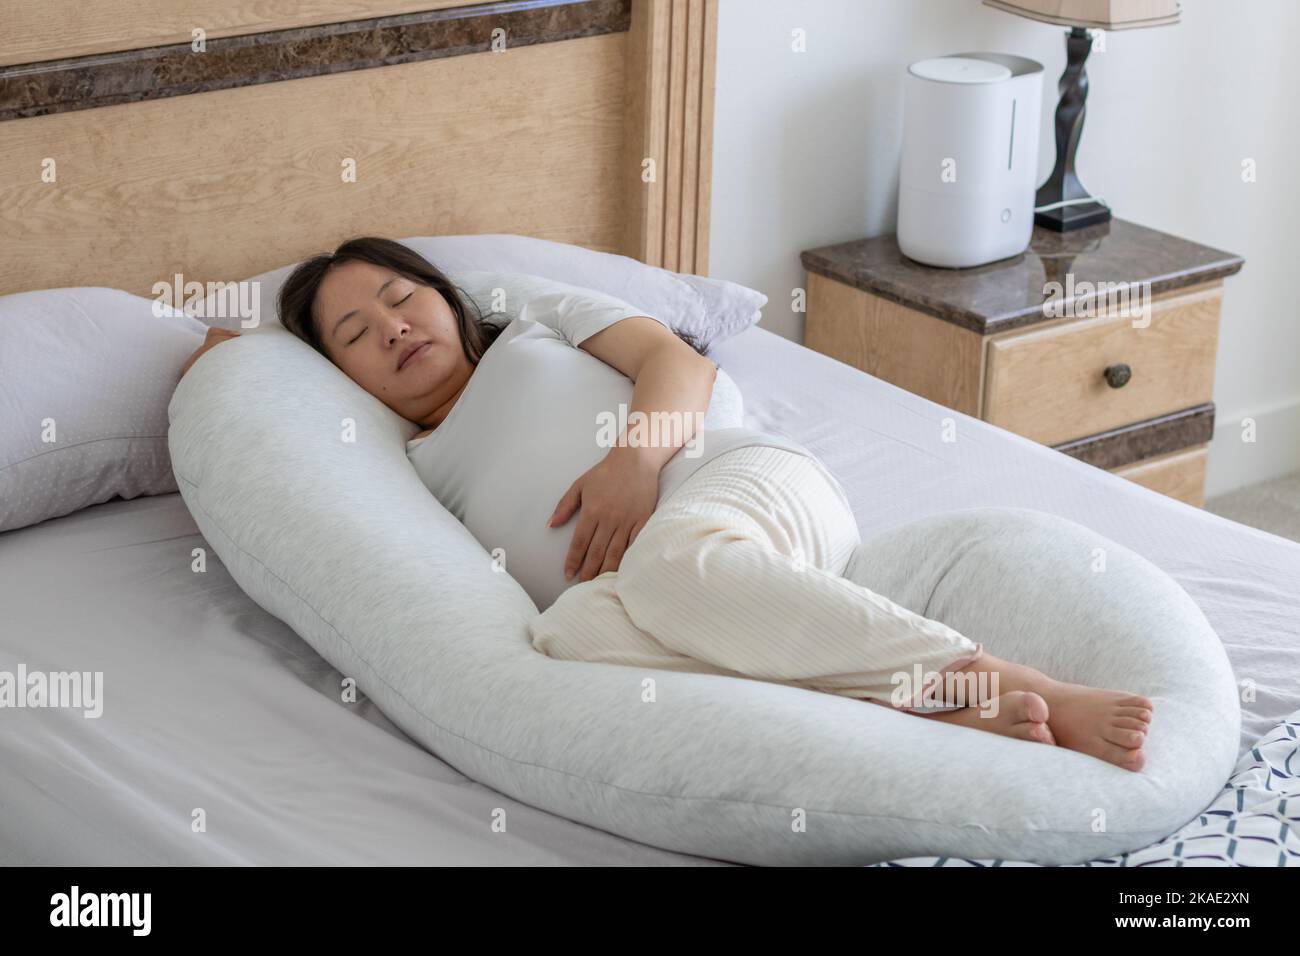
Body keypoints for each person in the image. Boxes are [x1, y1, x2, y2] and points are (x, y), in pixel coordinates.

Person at [181, 237, 1153, 771]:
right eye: (354, 332)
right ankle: (908, 715)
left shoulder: (527, 322)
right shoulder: (403, 455)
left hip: (736, 485)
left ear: (444, 291)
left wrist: (632, 465)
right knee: (567, 644)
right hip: (644, 600)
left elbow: (672, 361)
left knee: (675, 564)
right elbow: (250, 392)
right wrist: (246, 348)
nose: (392, 327)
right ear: (339, 372)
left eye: (402, 295)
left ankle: (985, 678)